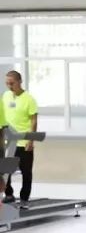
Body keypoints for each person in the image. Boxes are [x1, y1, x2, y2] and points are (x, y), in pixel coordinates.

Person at [3, 71, 38, 206]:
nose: (9, 86)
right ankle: (9, 194)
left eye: (12, 83)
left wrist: (31, 140)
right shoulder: (6, 96)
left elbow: (34, 121)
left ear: (19, 81)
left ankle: (24, 198)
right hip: (8, 141)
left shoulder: (29, 99)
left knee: (26, 172)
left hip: (24, 141)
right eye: (7, 83)